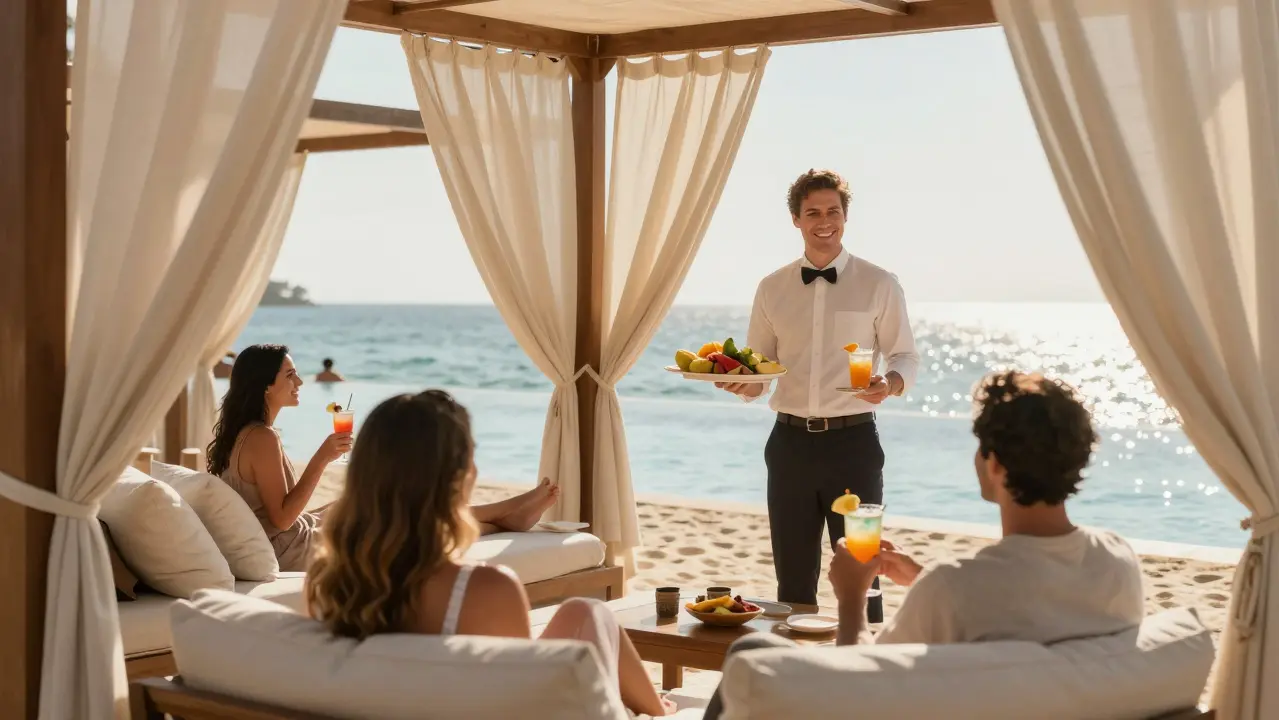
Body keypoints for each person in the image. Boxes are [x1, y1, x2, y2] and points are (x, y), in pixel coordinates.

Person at [701, 371, 1145, 720]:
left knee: (750, 652)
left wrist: (852, 597)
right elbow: (1020, 595)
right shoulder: (1117, 560)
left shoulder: (955, 587)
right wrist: (920, 577)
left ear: (992, 464)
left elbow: (857, 688)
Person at [304, 390, 674, 717]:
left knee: (585, 611)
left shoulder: (326, 579)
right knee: (586, 615)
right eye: (471, 456)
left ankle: (656, 709)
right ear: (457, 478)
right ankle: (659, 712)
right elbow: (515, 704)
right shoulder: (483, 589)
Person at [718, 169, 919, 617]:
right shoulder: (771, 288)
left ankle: (863, 672)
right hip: (788, 446)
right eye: (813, 213)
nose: (824, 221)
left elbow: (905, 356)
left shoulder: (879, 283)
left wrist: (889, 384)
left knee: (864, 569)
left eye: (833, 211)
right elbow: (760, 368)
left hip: (854, 445)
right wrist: (741, 384)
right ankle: (796, 674)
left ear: (846, 216)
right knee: (792, 577)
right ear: (796, 219)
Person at [207, 344, 562, 572]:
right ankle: (504, 514)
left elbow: (273, 515)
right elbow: (283, 519)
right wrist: (321, 458)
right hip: (289, 550)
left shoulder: (247, 434)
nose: (299, 380)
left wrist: (321, 507)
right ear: (266, 385)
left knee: (357, 504)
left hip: (282, 539)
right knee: (398, 519)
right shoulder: (262, 437)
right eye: (289, 374)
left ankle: (501, 518)